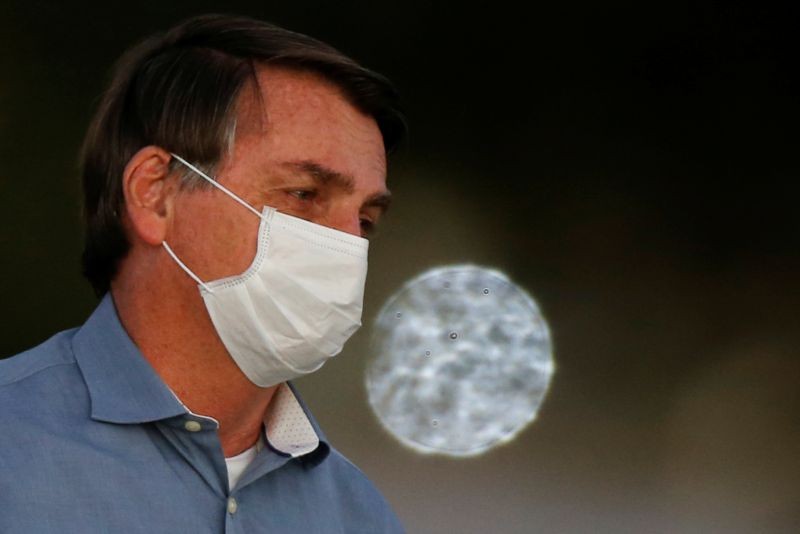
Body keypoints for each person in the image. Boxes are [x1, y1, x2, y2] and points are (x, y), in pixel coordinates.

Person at [0, 13, 406, 533]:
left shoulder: (359, 517)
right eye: (303, 194)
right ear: (156, 194)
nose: (347, 243)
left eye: (366, 220)